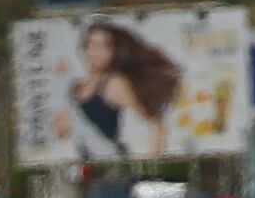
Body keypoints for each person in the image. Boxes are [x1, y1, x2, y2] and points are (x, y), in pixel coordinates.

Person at [69, 21, 183, 158]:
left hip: (110, 167)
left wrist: (152, 163)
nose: (95, 52)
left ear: (112, 52)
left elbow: (155, 123)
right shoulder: (75, 87)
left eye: (103, 46)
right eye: (90, 45)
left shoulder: (114, 84)